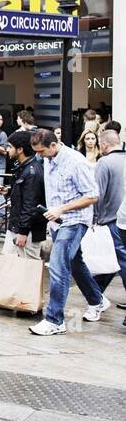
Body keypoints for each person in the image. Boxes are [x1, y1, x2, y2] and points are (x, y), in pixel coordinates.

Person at [27, 128, 111, 336]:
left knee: (58, 267)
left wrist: (61, 209)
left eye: (41, 151)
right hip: (57, 222)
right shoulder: (47, 159)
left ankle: (55, 320)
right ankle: (97, 299)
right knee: (75, 263)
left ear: (53, 146)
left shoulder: (76, 161)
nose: (39, 155)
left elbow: (92, 195)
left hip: (74, 221)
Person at [90, 128, 125, 301]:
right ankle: (95, 296)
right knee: (114, 261)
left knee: (118, 262)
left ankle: (95, 297)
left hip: (112, 220)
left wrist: (94, 218)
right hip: (120, 219)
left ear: (104, 144)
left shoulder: (104, 162)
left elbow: (97, 194)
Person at [3, 130, 46, 260]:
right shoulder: (24, 168)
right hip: (19, 226)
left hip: (27, 230)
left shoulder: (32, 171)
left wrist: (23, 232)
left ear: (20, 149)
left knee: (27, 268)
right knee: (10, 265)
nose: (7, 150)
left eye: (10, 146)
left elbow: (31, 204)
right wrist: (10, 191)